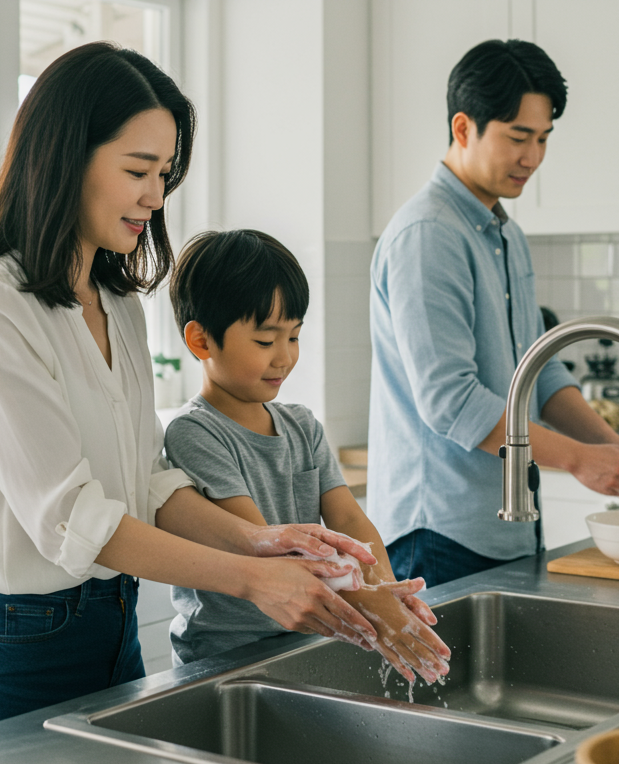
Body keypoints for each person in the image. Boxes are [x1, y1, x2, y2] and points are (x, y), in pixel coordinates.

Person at [0, 42, 378, 738]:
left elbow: (148, 485)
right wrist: (252, 579)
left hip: (115, 627)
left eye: (164, 173)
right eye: (138, 170)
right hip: (12, 644)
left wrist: (260, 542)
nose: (155, 196)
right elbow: (76, 519)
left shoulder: (118, 301)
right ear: (65, 158)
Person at [368, 39, 619, 588]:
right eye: (518, 137)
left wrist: (608, 445)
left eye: (543, 138)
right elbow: (450, 400)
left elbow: (540, 369)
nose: (532, 157)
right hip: (436, 532)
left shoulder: (505, 233)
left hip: (505, 525)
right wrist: (578, 460)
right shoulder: (428, 235)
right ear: (463, 129)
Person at [163, 230, 451, 682]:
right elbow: (264, 548)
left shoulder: (302, 425)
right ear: (201, 341)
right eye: (264, 341)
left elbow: (351, 523)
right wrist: (367, 603)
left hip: (305, 636)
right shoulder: (196, 432)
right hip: (224, 654)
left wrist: (385, 592)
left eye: (293, 337)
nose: (285, 357)